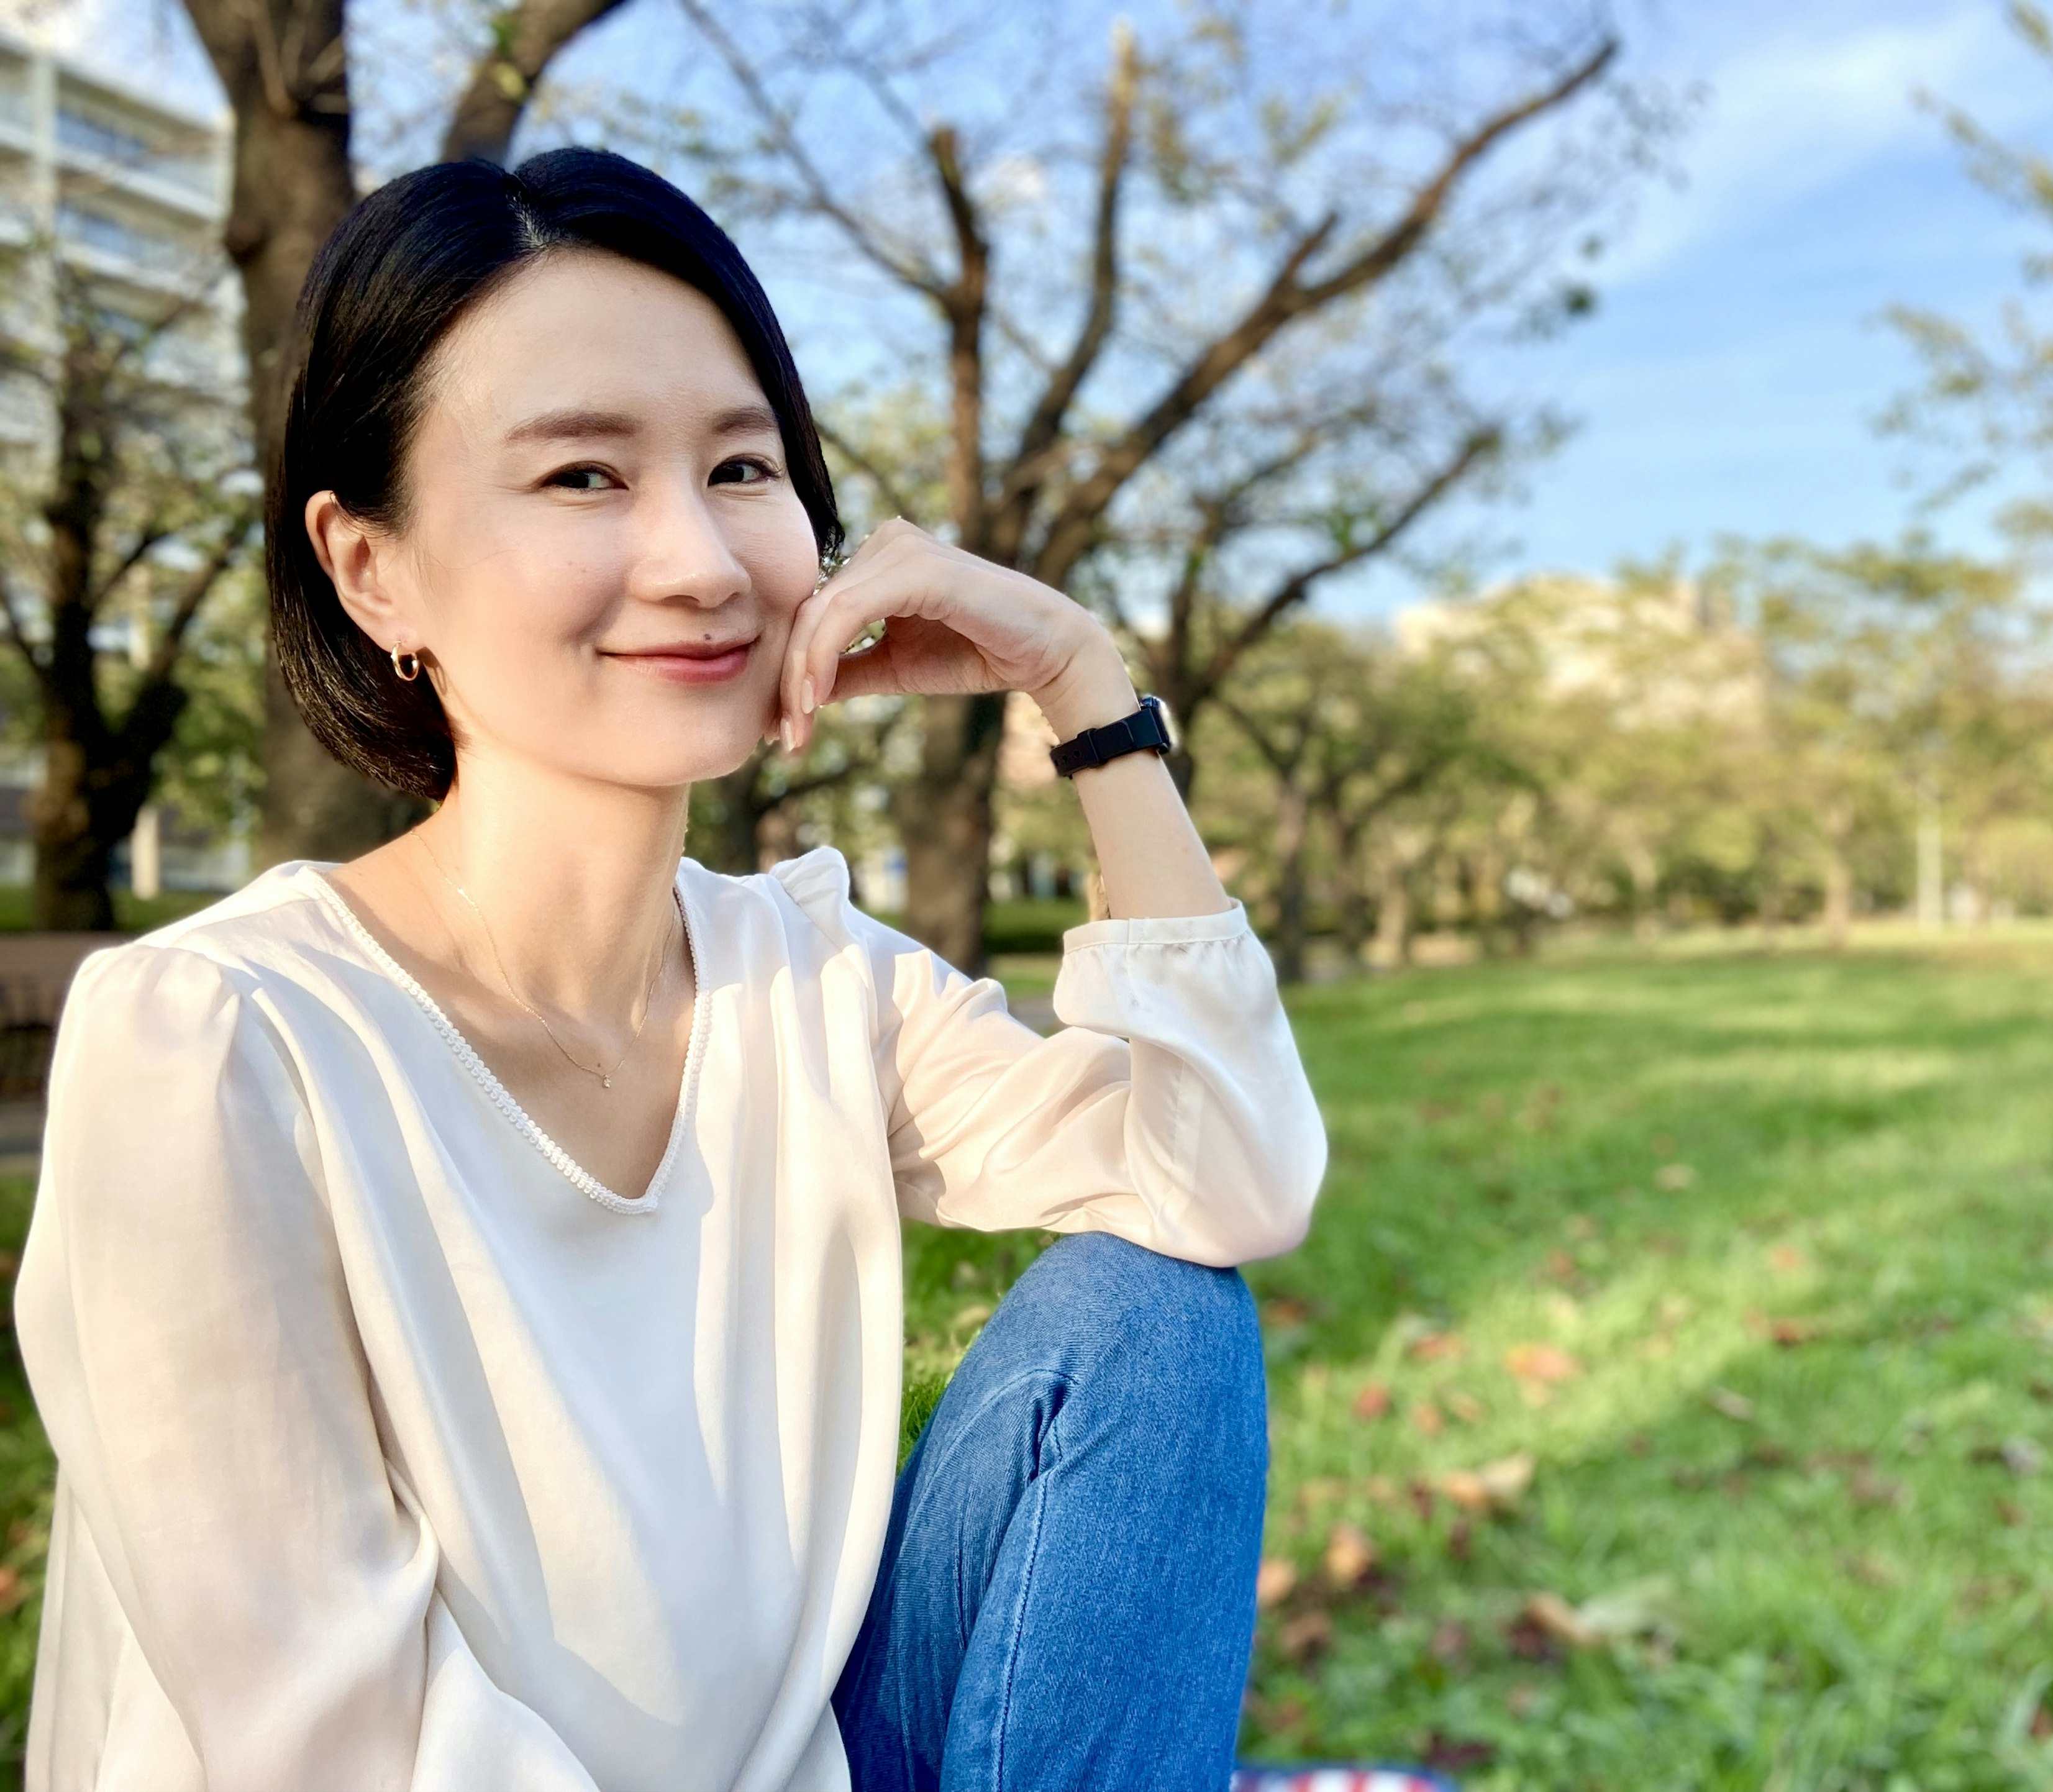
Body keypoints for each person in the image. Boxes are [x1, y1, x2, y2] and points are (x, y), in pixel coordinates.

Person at [14, 148, 1325, 1792]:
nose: (701, 561)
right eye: (581, 478)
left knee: (1154, 1323)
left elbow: (1236, 1182)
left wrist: (1086, 691)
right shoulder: (217, 1040)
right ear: (373, 569)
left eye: (742, 468)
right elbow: (326, 1741)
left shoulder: (817, 986)